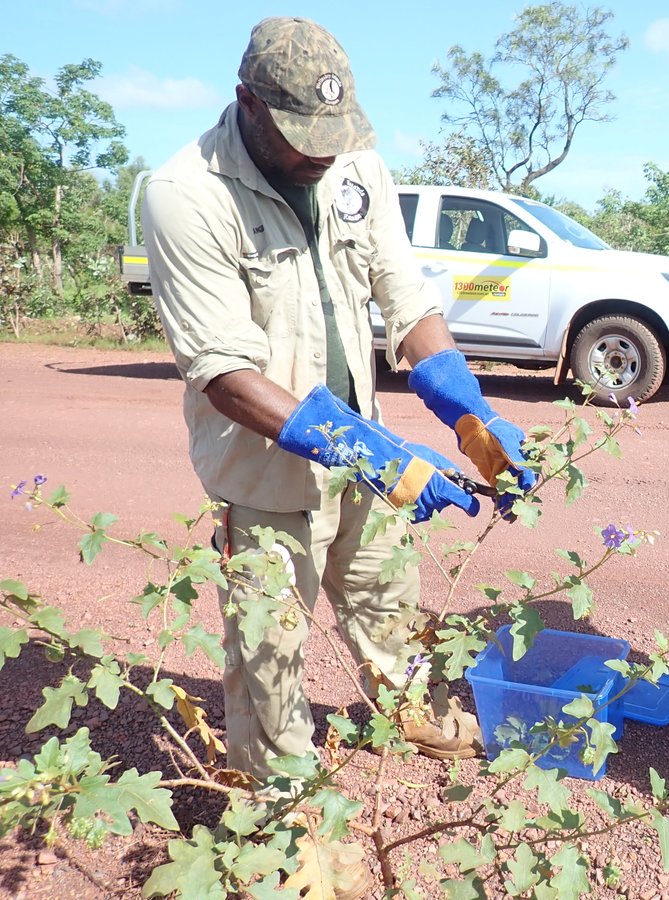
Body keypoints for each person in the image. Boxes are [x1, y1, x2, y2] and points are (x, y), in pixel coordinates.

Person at [144, 15, 535, 807]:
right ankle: (276, 797)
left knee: (390, 602)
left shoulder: (356, 166)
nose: (320, 151)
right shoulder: (185, 193)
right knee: (270, 651)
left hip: (362, 441)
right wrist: (378, 457)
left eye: (332, 129)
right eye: (299, 133)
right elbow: (224, 374)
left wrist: (469, 414)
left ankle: (411, 713)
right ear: (247, 102)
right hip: (265, 472)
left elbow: (406, 298)